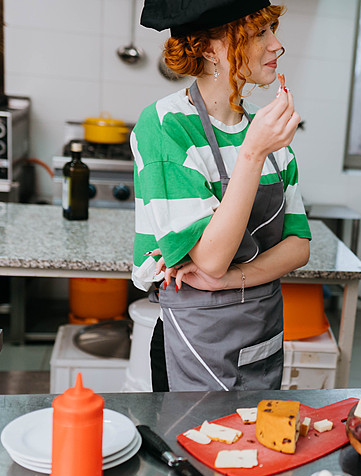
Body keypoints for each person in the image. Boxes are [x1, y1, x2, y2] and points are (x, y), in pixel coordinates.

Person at [132, 0, 311, 392]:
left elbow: (298, 246)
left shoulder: (269, 134)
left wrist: (232, 280)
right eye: (259, 32)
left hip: (262, 334)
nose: (277, 45)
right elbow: (210, 258)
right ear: (211, 49)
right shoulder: (164, 125)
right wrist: (253, 152)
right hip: (195, 342)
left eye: (272, 30)